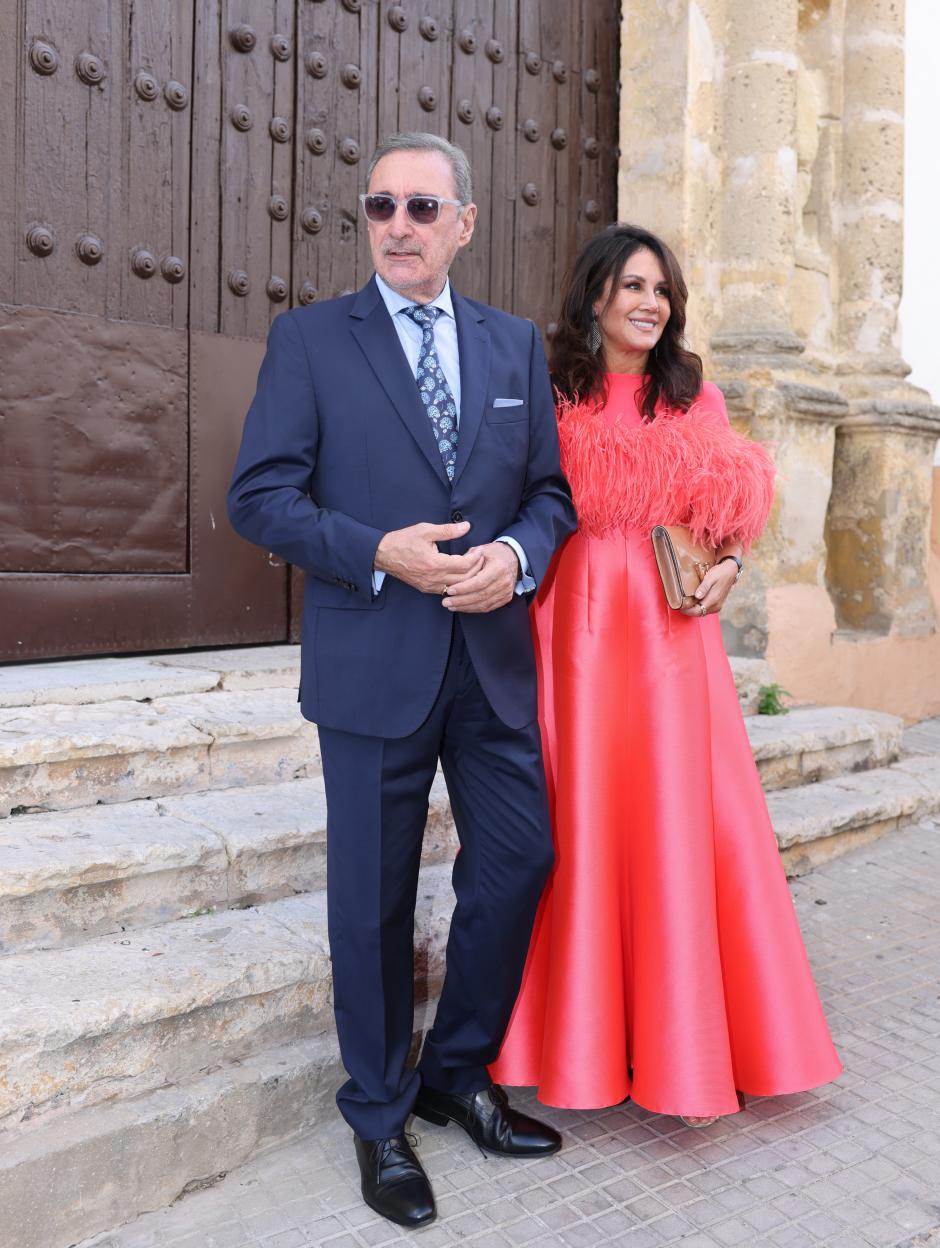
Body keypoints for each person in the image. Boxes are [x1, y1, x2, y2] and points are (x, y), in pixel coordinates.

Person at [227, 132, 577, 1228]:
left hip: (488, 660)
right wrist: (377, 549)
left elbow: (550, 498)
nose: (398, 225)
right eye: (381, 205)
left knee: (520, 857)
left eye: (423, 208)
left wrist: (513, 559)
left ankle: (455, 1072)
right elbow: (259, 497)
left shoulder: (513, 346)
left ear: (463, 223)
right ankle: (378, 1116)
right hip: (371, 656)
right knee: (371, 904)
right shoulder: (309, 341)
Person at [489, 224, 843, 1123]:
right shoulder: (548, 392)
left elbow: (729, 517)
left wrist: (729, 563)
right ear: (595, 296)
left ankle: (685, 1051)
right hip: (570, 636)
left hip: (668, 647)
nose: (651, 304)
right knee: (575, 828)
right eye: (634, 287)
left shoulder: (697, 397)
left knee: (678, 830)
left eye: (664, 291)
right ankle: (565, 1043)